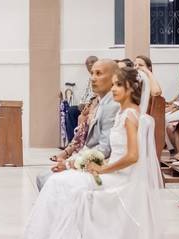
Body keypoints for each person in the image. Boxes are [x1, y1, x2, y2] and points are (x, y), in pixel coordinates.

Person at [11, 67, 162, 239]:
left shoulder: (129, 116)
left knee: (61, 183)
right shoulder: (124, 113)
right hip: (111, 173)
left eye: (119, 85)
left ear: (131, 88)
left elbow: (132, 156)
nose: (114, 88)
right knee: (59, 182)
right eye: (114, 84)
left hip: (119, 179)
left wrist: (104, 169)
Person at [41, 59, 120, 190]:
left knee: (46, 180)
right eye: (92, 73)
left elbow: (104, 150)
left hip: (100, 166)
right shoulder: (102, 102)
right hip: (88, 158)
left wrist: (71, 164)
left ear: (114, 78)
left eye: (99, 73)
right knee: (44, 177)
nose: (93, 78)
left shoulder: (111, 105)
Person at [65, 56, 99, 137]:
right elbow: (85, 94)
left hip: (93, 105)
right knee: (71, 111)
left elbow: (96, 95)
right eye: (87, 64)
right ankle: (72, 141)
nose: (89, 65)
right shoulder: (89, 79)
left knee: (79, 115)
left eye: (92, 62)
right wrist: (81, 103)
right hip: (86, 105)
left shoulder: (100, 77)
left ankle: (77, 142)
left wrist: (88, 104)